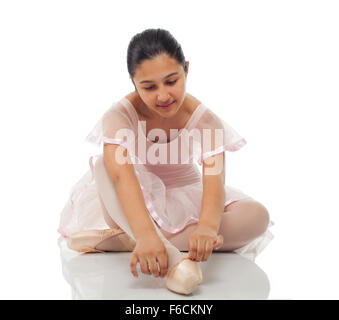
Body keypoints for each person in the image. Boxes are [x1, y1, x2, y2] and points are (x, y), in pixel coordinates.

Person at [58, 28, 274, 295]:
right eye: (149, 87)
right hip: (132, 203)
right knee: (104, 164)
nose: (163, 96)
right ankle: (166, 252)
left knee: (258, 216)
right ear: (133, 82)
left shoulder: (206, 121)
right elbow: (121, 177)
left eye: (171, 81)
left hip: (186, 197)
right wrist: (146, 233)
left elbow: (214, 177)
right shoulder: (119, 117)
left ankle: (127, 241)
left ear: (186, 70)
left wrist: (207, 228)